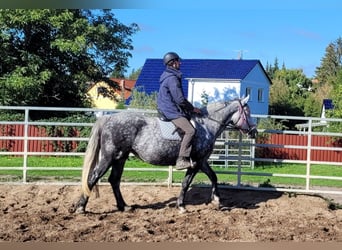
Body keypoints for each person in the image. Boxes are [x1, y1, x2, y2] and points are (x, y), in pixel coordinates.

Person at [157, 52, 202, 170]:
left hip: (167, 107)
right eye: (178, 61)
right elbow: (180, 99)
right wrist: (192, 108)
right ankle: (181, 159)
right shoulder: (172, 78)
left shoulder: (168, 76)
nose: (180, 63)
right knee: (190, 131)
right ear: (172, 63)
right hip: (170, 110)